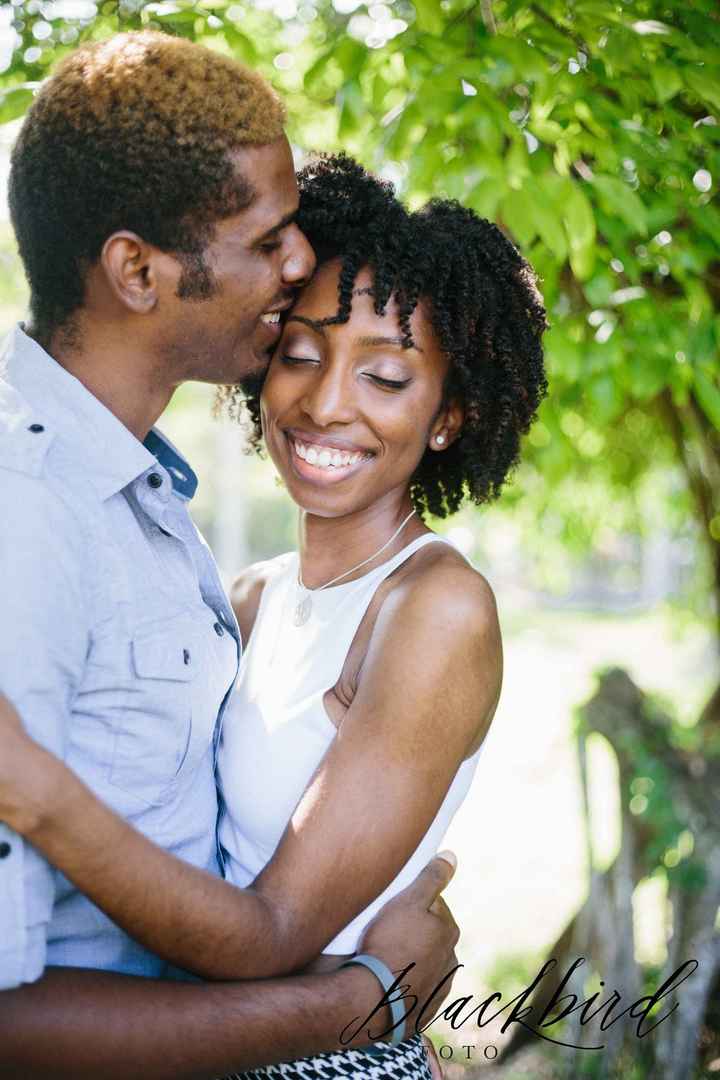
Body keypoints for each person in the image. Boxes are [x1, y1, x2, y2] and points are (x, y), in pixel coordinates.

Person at [0, 151, 548, 1077]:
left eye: (386, 377)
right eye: (301, 354)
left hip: (322, 1057)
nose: (326, 403)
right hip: (211, 1038)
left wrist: (38, 794)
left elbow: (277, 931)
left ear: (449, 417)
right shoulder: (247, 596)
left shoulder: (434, 606)